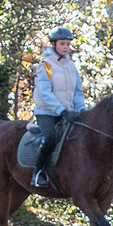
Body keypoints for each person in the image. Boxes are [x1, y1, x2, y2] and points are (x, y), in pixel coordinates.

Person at [30, 26, 87, 189]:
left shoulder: (71, 66)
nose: (66, 47)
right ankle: (37, 172)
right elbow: (45, 92)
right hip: (47, 112)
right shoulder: (46, 65)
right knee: (51, 137)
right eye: (62, 44)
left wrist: (81, 109)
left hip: (68, 112)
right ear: (54, 44)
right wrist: (61, 110)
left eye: (68, 44)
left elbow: (77, 91)